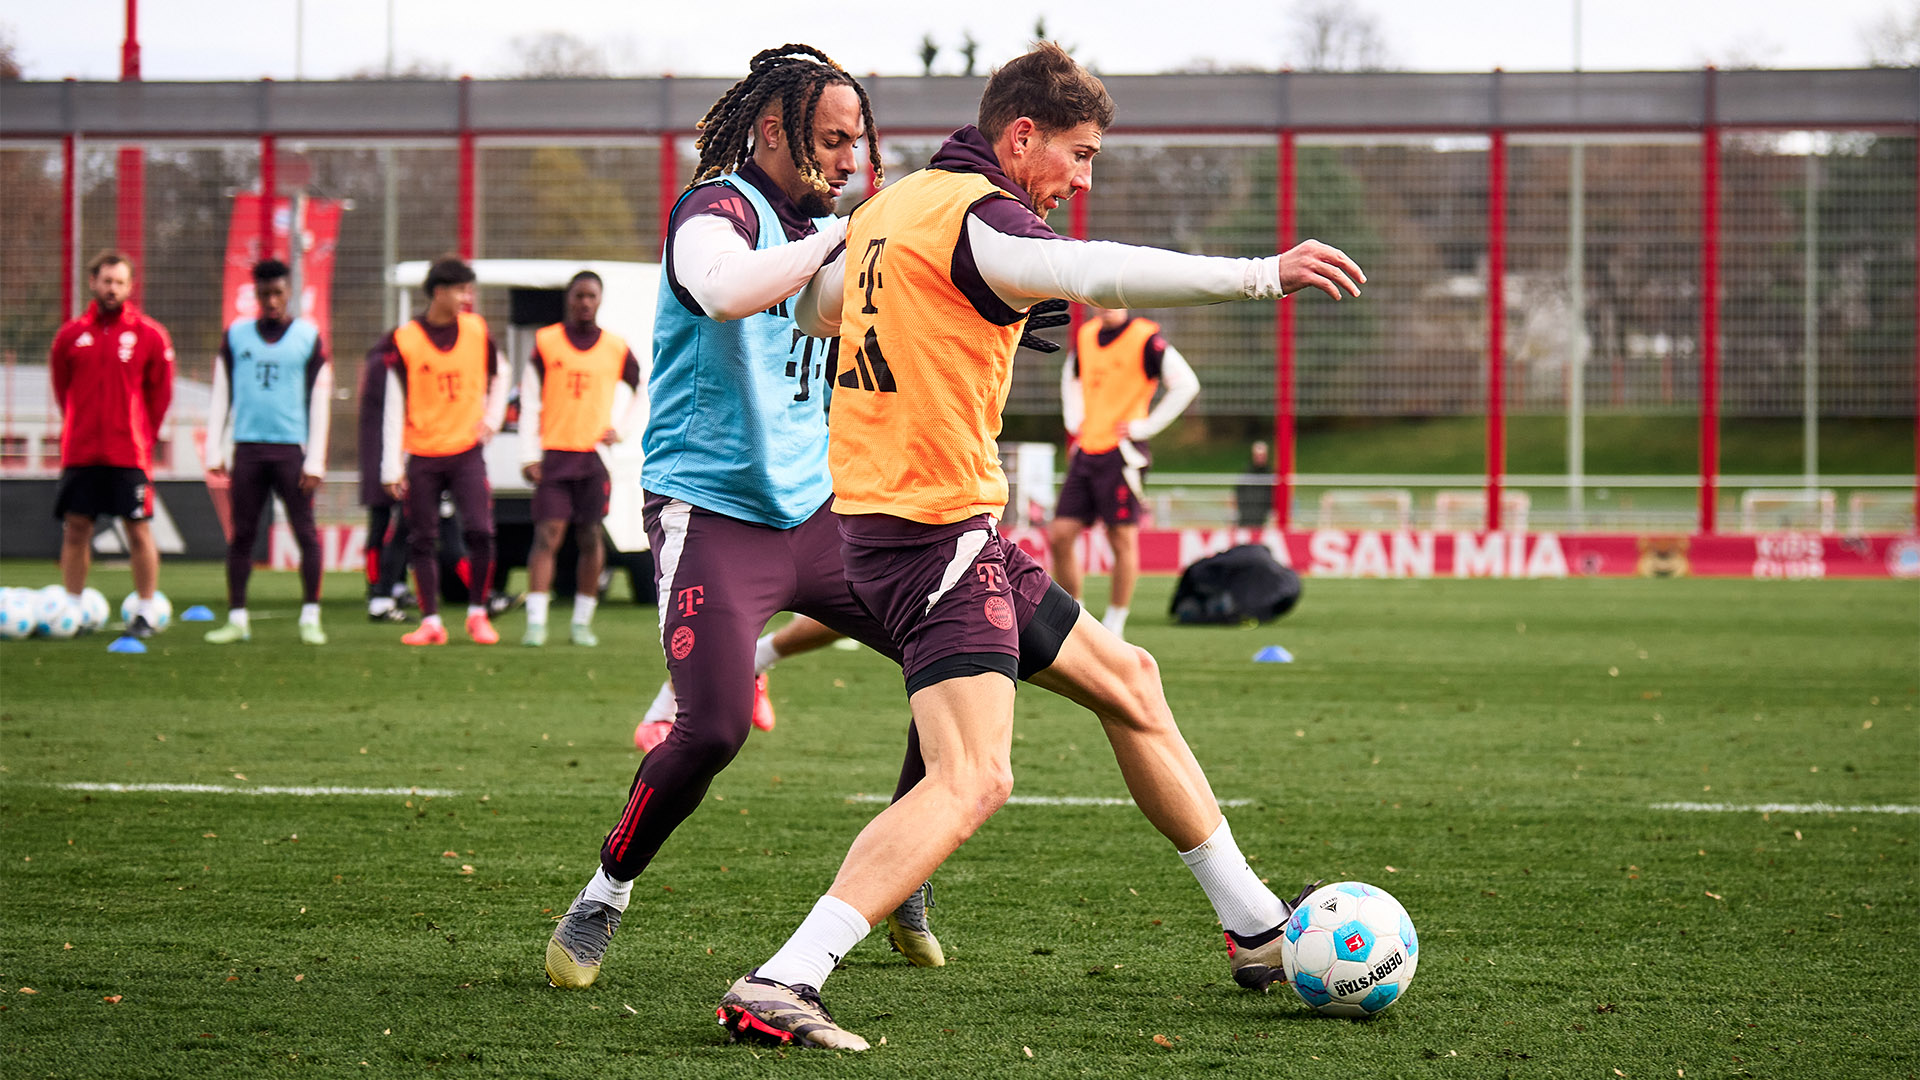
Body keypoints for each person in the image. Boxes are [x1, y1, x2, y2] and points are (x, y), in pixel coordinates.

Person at [717, 43, 1365, 1050]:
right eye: (1081, 153)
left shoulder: (896, 208)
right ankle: (782, 978)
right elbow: (1094, 271)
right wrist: (1260, 275)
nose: (1085, 178)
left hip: (930, 527)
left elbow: (812, 305)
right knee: (973, 777)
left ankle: (1254, 927)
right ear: (1020, 138)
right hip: (929, 539)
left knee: (1132, 681)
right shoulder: (982, 222)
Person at [543, 45, 944, 994]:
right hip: (712, 515)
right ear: (772, 132)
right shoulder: (718, 208)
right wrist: (847, 237)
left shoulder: (837, 228)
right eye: (831, 140)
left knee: (961, 645)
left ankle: (908, 869)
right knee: (715, 728)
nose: (850, 160)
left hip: (820, 512)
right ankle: (603, 895)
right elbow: (724, 289)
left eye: (860, 142)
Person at [374, 256, 508, 646]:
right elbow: (393, 405)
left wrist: (493, 419)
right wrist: (391, 466)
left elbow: (501, 373)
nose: (467, 297)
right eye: (460, 289)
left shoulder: (476, 330)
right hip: (422, 453)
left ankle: (477, 613)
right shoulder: (405, 339)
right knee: (421, 538)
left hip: (466, 450)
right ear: (438, 292)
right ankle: (431, 620)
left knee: (481, 531)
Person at [201, 259, 332, 645]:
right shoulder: (237, 336)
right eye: (264, 294)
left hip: (291, 451)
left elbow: (319, 400)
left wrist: (317, 459)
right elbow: (222, 393)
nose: (271, 301)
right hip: (248, 451)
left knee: (305, 534)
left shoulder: (308, 337)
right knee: (242, 535)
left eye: (277, 293)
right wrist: (216, 448)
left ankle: (311, 616)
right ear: (255, 295)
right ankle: (238, 618)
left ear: (288, 292)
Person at [1048, 305, 1199, 639]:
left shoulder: (1145, 338)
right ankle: (1077, 616)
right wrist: (1074, 420)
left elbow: (1186, 384)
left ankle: (1115, 624)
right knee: (1060, 534)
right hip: (1087, 450)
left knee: (1121, 538)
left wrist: (1147, 426)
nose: (1106, 303)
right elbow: (1070, 378)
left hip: (1122, 455)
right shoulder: (1086, 336)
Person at [48, 251, 176, 637]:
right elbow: (61, 389)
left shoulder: (149, 335)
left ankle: (146, 609)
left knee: (137, 528)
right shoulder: (70, 336)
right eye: (106, 281)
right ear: (93, 282)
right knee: (76, 528)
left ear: (130, 286)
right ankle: (72, 609)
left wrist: (141, 434)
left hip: (128, 452)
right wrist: (80, 423)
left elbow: (161, 395)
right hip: (81, 451)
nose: (112, 289)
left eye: (120, 282)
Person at [518, 271, 645, 648]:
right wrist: (529, 454)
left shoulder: (615, 347)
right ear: (568, 299)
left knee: (590, 535)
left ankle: (581, 622)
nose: (584, 302)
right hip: (555, 453)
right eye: (578, 296)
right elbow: (528, 401)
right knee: (547, 535)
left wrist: (619, 430)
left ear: (600, 300)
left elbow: (642, 388)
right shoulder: (547, 342)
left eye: (591, 296)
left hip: (593, 457)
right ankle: (537, 623)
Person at [358, 342, 413, 623]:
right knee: (382, 527)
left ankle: (394, 586)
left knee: (399, 526)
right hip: (382, 457)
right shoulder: (384, 363)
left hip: (393, 455)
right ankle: (377, 587)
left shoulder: (384, 360)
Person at [1234, 439, 1273, 528]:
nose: (1260, 458)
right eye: (1257, 456)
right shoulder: (1246, 472)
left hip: (1263, 515)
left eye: (1262, 456)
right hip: (1245, 515)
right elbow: (1237, 492)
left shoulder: (1270, 473)